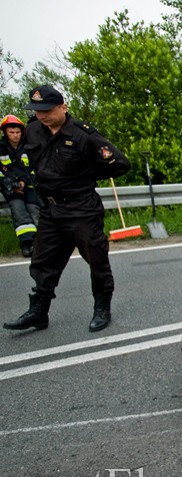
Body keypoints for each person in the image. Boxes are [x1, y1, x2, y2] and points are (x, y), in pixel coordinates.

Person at [3, 85, 131, 333]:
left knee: (96, 260)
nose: (41, 115)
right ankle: (39, 312)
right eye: (37, 111)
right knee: (42, 262)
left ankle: (102, 307)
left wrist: (87, 174)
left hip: (81, 208)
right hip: (51, 210)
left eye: (47, 110)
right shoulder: (33, 131)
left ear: (63, 107)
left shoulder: (85, 136)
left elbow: (120, 164)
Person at [0, 114, 42, 257]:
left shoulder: (27, 148)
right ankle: (27, 244)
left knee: (34, 210)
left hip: (28, 186)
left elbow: (33, 168)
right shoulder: (0, 149)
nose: (15, 135)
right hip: (10, 188)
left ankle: (41, 243)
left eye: (17, 132)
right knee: (19, 211)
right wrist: (7, 181)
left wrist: (24, 181)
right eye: (11, 132)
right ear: (5, 132)